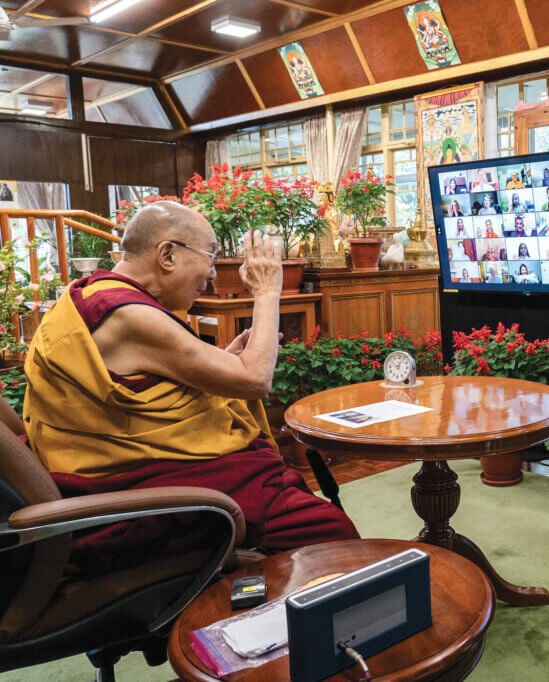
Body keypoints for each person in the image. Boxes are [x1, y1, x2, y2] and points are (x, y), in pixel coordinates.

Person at [23, 202, 358, 574]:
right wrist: (266, 292)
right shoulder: (126, 313)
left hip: (139, 470)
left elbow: (147, 381)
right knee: (334, 531)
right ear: (168, 254)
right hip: (145, 497)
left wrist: (222, 361)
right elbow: (254, 380)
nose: (213, 275)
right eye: (210, 258)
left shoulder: (91, 295)